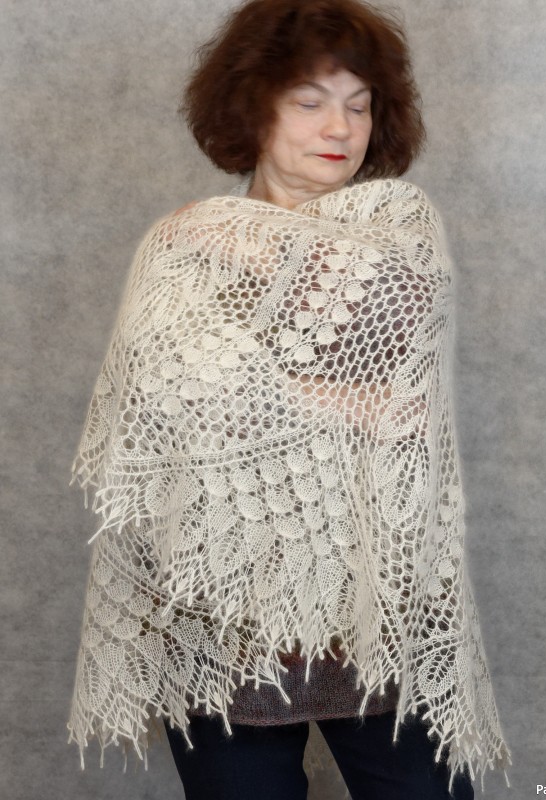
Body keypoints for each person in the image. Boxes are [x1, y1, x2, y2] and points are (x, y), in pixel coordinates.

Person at [68, 1, 511, 798]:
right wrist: (342, 405)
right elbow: (169, 417)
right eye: (310, 101)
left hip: (377, 607)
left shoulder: (398, 227)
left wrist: (259, 351)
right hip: (220, 617)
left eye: (359, 105)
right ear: (254, 108)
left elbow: (400, 391)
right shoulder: (180, 246)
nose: (339, 127)